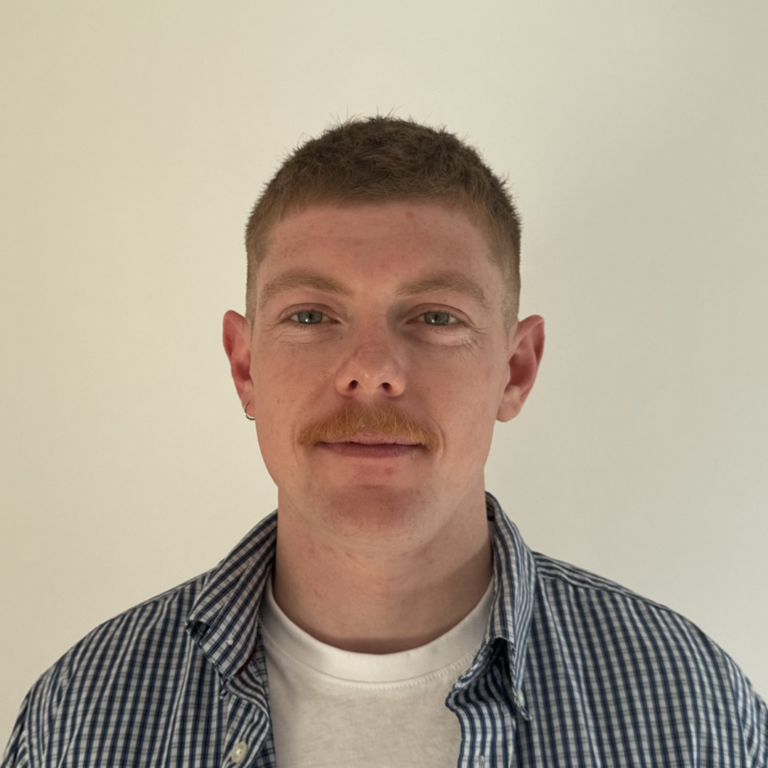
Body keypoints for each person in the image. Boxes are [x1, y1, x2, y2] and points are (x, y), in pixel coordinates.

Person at [3, 116, 766, 768]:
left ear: (516, 368)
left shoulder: (691, 709)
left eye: (435, 317)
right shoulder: (81, 716)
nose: (371, 371)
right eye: (311, 316)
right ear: (244, 367)